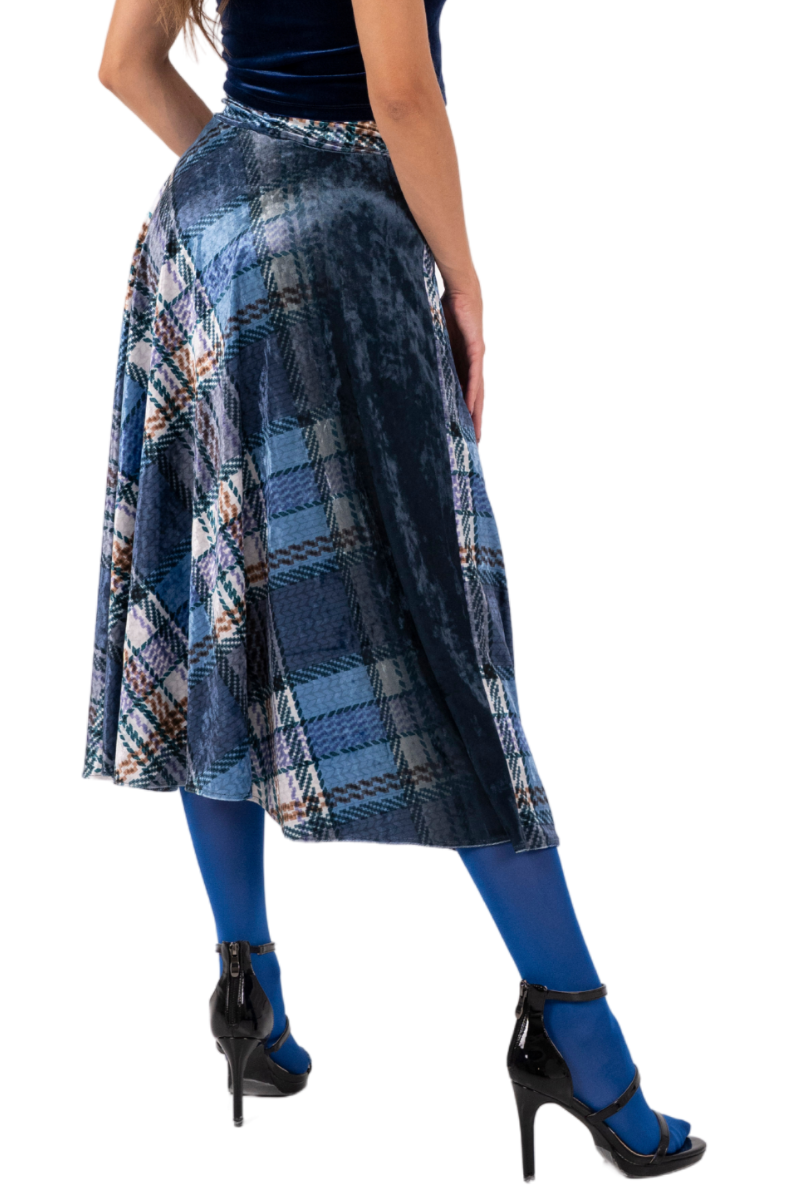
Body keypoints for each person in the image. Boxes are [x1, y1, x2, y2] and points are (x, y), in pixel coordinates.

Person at [86, 0, 704, 1179]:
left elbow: (126, 63)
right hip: (336, 250)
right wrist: (464, 283)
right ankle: (577, 1033)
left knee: (222, 615)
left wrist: (247, 186)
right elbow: (400, 92)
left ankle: (246, 992)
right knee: (442, 645)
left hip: (199, 238)